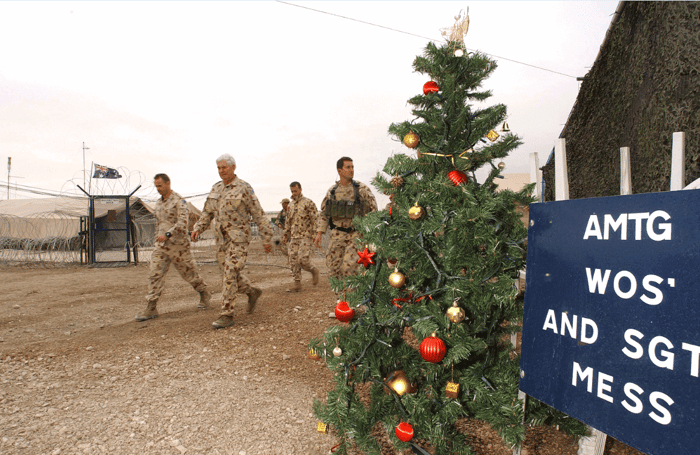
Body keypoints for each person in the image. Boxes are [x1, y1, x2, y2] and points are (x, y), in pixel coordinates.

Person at [191, 154, 273, 329]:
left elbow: (258, 214)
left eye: (224, 168)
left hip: (239, 240)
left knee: (229, 273)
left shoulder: (244, 188)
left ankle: (226, 314)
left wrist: (267, 238)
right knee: (229, 275)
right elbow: (207, 213)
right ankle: (252, 292)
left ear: (233, 167)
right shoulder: (216, 188)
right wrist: (198, 228)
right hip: (222, 241)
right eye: (219, 168)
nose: (221, 171)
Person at [136, 173, 211, 321]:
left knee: (189, 274)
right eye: (156, 186)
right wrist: (158, 237)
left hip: (178, 246)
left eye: (160, 186)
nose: (158, 189)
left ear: (168, 184)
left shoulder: (179, 201)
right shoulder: (158, 203)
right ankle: (151, 307)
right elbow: (158, 223)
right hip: (162, 246)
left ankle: (203, 292)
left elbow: (183, 222)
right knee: (155, 274)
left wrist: (168, 234)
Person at [314, 157, 377, 316]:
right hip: (337, 235)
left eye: (352, 167)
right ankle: (342, 303)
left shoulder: (361, 189)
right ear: (339, 170)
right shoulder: (332, 191)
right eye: (348, 167)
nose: (351, 170)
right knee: (334, 269)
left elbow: (373, 209)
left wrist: (371, 231)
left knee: (350, 268)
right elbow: (324, 214)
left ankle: (355, 304)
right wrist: (319, 233)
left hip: (356, 234)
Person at [283, 181, 320, 292]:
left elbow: (315, 220)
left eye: (295, 191)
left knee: (302, 259)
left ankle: (313, 270)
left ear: (300, 189)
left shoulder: (308, 203)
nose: (293, 193)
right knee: (293, 260)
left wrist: (315, 235)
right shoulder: (290, 205)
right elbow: (288, 222)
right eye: (292, 191)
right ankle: (297, 283)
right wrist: (285, 235)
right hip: (294, 237)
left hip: (306, 236)